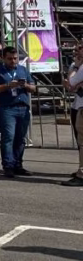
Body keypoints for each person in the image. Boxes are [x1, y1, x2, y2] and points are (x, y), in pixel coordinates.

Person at [0, 46, 35, 177]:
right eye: (10, 59)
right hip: (7, 108)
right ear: (3, 58)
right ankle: (8, 165)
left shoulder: (23, 70)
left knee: (20, 138)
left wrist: (25, 85)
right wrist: (8, 85)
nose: (13, 61)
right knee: (8, 136)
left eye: (15, 58)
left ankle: (18, 164)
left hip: (22, 107)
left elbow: (33, 87)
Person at [63, 44, 83, 186]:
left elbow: (71, 82)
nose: (78, 52)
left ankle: (81, 174)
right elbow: (71, 86)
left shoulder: (80, 67)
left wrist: (76, 67)